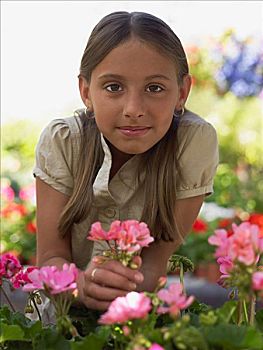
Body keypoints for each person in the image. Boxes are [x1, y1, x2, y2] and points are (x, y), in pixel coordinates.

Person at [34, 11, 219, 313]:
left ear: (182, 92)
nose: (133, 109)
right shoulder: (63, 141)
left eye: (154, 88)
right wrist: (81, 284)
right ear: (86, 92)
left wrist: (118, 289)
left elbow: (154, 263)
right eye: (114, 87)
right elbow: (51, 258)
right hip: (59, 320)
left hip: (135, 314)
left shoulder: (193, 142)